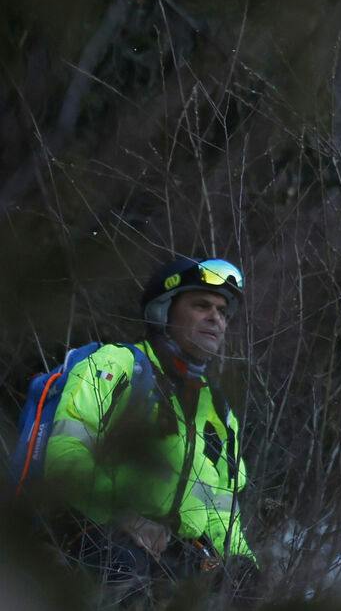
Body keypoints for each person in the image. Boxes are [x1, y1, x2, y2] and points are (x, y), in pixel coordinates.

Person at [34, 256, 257, 603]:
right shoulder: (115, 365)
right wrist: (125, 516)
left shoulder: (218, 411)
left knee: (245, 589)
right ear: (164, 312)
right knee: (126, 571)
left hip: (177, 555)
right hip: (94, 532)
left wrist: (244, 565)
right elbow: (65, 460)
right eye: (202, 305)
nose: (217, 318)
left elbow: (224, 512)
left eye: (223, 312)